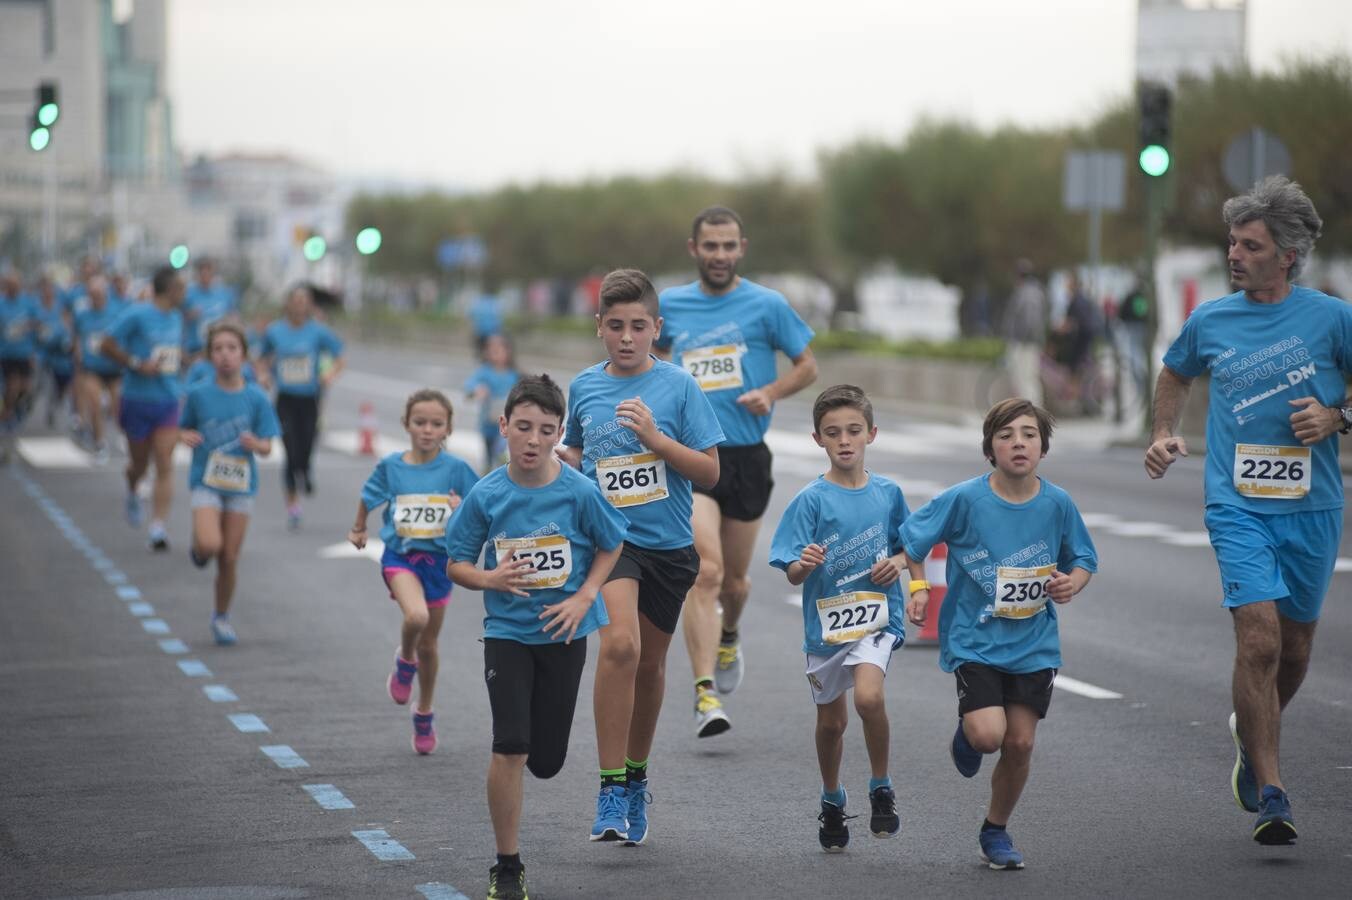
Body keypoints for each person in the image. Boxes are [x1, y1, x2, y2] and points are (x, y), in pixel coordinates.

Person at [1144, 176, 1350, 847]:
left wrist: (1337, 414)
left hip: (1312, 506)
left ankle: (1248, 730)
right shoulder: (1212, 320)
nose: (1234, 254)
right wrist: (1161, 431)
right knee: (1258, 638)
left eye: (1250, 244)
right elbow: (1175, 371)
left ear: (1286, 255)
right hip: (1236, 504)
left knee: (1293, 651)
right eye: (1231, 241)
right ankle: (1271, 789)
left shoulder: (1329, 317)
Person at [444, 374, 627, 900]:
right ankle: (507, 864)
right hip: (507, 633)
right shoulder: (488, 493)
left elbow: (611, 544)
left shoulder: (578, 490)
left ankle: (535, 772)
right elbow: (456, 562)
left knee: (546, 761)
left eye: (545, 430)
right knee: (510, 746)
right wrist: (490, 579)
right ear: (503, 426)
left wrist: (586, 594)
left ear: (558, 433)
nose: (531, 439)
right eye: (522, 427)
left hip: (564, 634)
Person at [560, 269, 723, 845]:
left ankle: (634, 777)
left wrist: (656, 440)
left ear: (657, 328)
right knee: (621, 645)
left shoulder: (679, 387)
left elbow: (709, 470)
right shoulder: (583, 387)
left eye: (638, 326)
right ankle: (607, 787)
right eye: (615, 326)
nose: (627, 337)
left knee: (651, 667)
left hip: (670, 549)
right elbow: (574, 452)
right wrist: (552, 468)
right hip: (611, 543)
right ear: (599, 328)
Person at [902, 398, 1096, 870]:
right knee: (990, 736)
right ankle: (969, 734)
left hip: (1035, 642)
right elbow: (912, 540)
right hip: (977, 639)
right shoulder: (965, 498)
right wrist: (921, 587)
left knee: (1020, 744)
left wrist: (1072, 582)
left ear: (1043, 447)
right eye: (1006, 435)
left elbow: (1084, 559)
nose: (1018, 443)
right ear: (990, 447)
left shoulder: (1057, 503)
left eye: (1029, 434)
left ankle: (995, 830)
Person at [655, 205, 818, 738]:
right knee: (706, 570)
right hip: (691, 456)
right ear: (693, 249)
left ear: (741, 248)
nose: (719, 255)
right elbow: (648, 365)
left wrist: (769, 392)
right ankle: (705, 694)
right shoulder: (671, 305)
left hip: (746, 456)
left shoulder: (767, 305)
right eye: (710, 246)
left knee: (738, 582)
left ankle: (730, 633)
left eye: (729, 246)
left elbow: (807, 365)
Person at [768, 385, 909, 851]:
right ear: (818, 439)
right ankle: (832, 796)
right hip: (827, 628)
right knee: (832, 724)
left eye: (853, 431)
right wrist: (802, 565)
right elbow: (790, 570)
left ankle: (881, 785)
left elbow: (911, 545)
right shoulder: (811, 500)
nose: (844, 440)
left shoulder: (889, 494)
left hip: (877, 620)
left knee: (869, 699)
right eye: (833, 433)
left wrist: (904, 566)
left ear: (871, 433)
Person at [348, 389, 478, 755]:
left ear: (448, 428)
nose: (427, 429)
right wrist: (359, 528)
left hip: (440, 564)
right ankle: (405, 660)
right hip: (401, 558)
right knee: (416, 616)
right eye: (420, 422)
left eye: (436, 424)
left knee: (431, 645)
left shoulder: (456, 469)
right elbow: (369, 495)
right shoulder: (392, 466)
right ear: (406, 424)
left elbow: (483, 504)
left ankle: (424, 711)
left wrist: (462, 505)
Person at [178, 322, 280, 645]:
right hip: (206, 481)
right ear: (209, 356)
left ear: (244, 355)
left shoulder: (256, 397)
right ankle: (199, 546)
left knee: (230, 557)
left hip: (240, 485)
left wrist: (256, 445)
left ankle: (220, 616)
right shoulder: (198, 395)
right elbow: (181, 428)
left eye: (232, 348)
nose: (225, 355)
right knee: (211, 545)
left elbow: (268, 447)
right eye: (218, 349)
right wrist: (185, 436)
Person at [101, 266, 187, 550]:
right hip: (137, 399)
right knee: (139, 464)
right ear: (170, 289)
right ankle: (132, 488)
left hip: (168, 400)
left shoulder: (176, 317)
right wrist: (137, 364)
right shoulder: (137, 314)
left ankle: (158, 527)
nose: (185, 293)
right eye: (181, 288)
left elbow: (171, 354)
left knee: (164, 461)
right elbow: (106, 344)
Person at [258, 284, 344, 530]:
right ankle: (293, 506)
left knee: (306, 444)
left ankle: (305, 470)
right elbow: (261, 358)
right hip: (285, 398)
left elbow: (340, 355)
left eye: (303, 300)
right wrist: (263, 374)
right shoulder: (275, 331)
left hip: (310, 398)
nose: (298, 304)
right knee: (290, 449)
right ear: (287, 304)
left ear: (309, 305)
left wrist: (330, 374)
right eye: (294, 300)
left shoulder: (318, 332)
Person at [72, 275, 127, 462]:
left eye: (98, 294)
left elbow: (124, 339)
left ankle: (123, 436)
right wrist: (78, 356)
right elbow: (77, 337)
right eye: (91, 294)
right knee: (94, 403)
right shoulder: (82, 315)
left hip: (113, 368)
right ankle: (100, 443)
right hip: (92, 368)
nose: (95, 297)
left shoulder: (117, 312)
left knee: (117, 407)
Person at [464, 333, 519, 473]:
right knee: (488, 455)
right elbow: (469, 385)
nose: (494, 353)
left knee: (501, 449)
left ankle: (504, 470)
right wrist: (477, 390)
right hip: (488, 422)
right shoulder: (484, 372)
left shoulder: (514, 374)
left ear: (508, 352)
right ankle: (487, 475)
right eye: (490, 350)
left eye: (498, 350)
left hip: (507, 421)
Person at [0, 273, 39, 463]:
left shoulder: (28, 303)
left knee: (26, 388)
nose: (12, 288)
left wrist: (29, 327)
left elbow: (38, 325)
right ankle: (8, 413)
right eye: (9, 285)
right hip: (7, 353)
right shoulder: (1, 303)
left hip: (25, 353)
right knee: (11, 385)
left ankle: (15, 409)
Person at [1002, 259, 1047, 407]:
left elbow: (1030, 320)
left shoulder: (1027, 293)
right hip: (1029, 342)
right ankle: (1032, 409)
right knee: (1028, 378)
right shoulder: (1034, 291)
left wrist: (1022, 338)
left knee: (1025, 378)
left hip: (1025, 343)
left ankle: (1031, 410)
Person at [34, 276, 76, 430]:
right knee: (44, 383)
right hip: (43, 354)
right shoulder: (36, 307)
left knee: (62, 385)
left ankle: (56, 402)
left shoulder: (61, 307)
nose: (47, 292)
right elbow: (34, 329)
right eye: (44, 289)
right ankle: (44, 407)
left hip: (61, 356)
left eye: (50, 289)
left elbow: (69, 325)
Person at [183, 258, 237, 365]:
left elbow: (233, 317)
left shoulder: (223, 293)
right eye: (202, 272)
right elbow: (178, 319)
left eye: (209, 271)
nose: (205, 275)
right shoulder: (188, 294)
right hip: (196, 349)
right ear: (197, 274)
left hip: (218, 348)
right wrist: (188, 316)